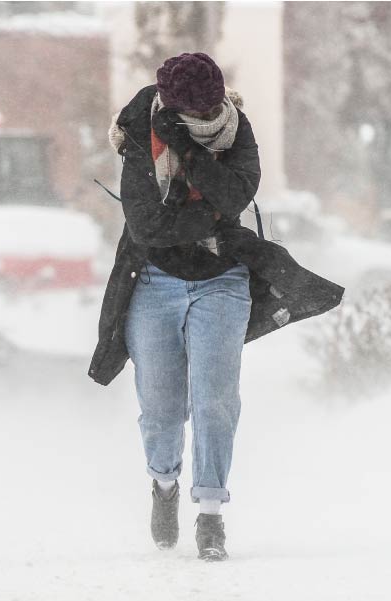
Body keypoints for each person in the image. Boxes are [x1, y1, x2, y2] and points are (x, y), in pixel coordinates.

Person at [89, 53, 345, 562]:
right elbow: (147, 229)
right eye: (195, 117)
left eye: (212, 111)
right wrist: (211, 217)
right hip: (154, 281)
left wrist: (187, 151)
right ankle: (163, 484)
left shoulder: (237, 129)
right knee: (162, 410)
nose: (208, 121)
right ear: (173, 104)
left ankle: (210, 514)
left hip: (222, 282)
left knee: (215, 401)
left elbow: (233, 195)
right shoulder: (141, 131)